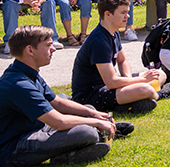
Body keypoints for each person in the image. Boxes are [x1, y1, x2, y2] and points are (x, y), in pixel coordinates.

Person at [0, 26, 134, 166]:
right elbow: (59, 122)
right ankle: (82, 145)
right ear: (30, 50)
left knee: (87, 108)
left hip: (36, 128)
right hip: (14, 148)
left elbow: (57, 102)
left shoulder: (27, 72)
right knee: (85, 132)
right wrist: (95, 122)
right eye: (48, 45)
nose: (53, 49)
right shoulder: (18, 84)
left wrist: (95, 114)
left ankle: (99, 133)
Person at [71, 0, 170, 114]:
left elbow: (122, 61)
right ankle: (160, 93)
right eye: (123, 12)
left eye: (127, 12)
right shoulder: (99, 41)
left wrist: (129, 80)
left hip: (109, 87)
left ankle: (130, 102)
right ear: (108, 14)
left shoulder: (113, 32)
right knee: (145, 89)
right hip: (90, 96)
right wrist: (140, 80)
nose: (127, 16)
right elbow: (111, 82)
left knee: (160, 73)